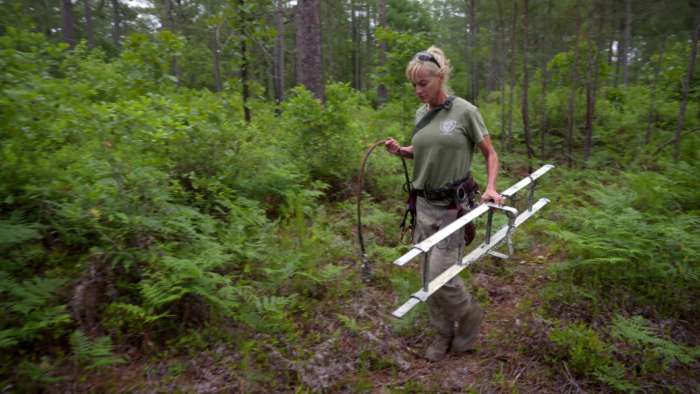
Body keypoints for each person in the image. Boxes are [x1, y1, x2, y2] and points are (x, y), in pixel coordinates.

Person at [385, 46, 505, 362]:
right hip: (422, 204)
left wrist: (491, 187)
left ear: (440, 78)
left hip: (454, 207)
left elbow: (490, 154)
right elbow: (423, 151)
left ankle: (468, 314)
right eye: (414, 84)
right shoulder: (421, 115)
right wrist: (401, 150)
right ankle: (443, 334)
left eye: (423, 83)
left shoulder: (465, 111)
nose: (418, 90)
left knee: (441, 275)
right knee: (427, 277)